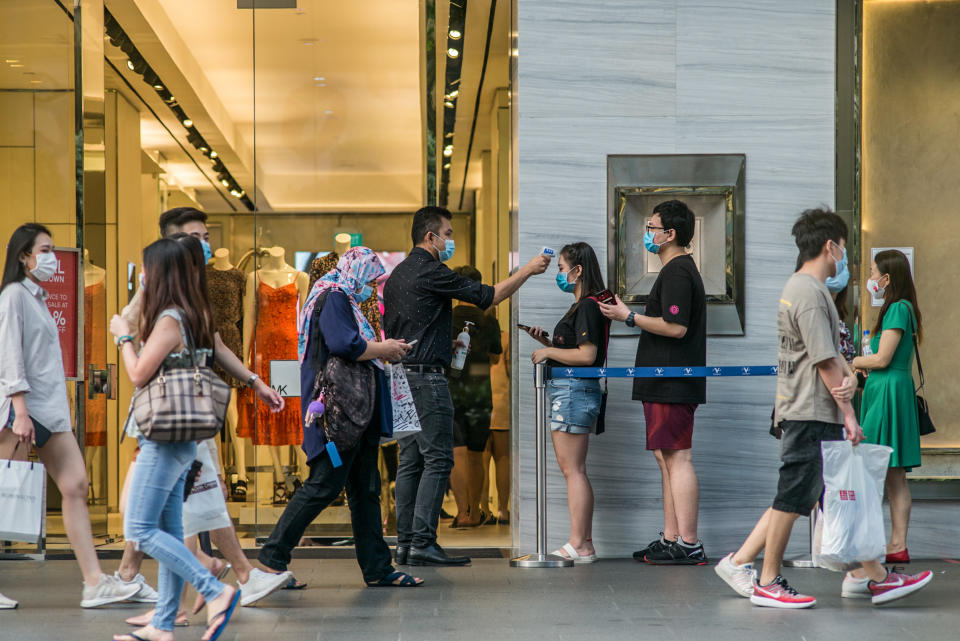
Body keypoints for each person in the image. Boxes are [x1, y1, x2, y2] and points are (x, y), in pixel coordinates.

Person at [714, 208, 932, 608]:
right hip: (810, 411)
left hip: (813, 410)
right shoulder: (810, 294)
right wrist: (849, 413)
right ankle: (767, 578)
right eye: (843, 250)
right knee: (795, 497)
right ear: (829, 246)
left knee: (831, 497)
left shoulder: (803, 289)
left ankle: (868, 575)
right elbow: (825, 359)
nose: (845, 260)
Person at [114, 210, 294, 611]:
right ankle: (214, 578)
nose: (204, 245)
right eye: (196, 237)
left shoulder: (191, 298)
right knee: (172, 510)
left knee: (178, 508)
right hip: (169, 419)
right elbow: (141, 358)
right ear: (173, 245)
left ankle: (175, 592)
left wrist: (255, 382)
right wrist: (125, 333)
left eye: (205, 236)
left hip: (177, 419)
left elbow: (215, 348)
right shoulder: (161, 295)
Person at [384, 205, 551, 566]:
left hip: (402, 379)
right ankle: (425, 542)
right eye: (447, 234)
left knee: (411, 460)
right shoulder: (431, 271)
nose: (451, 240)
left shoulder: (397, 275)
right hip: (427, 381)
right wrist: (527, 270)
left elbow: (409, 325)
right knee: (439, 458)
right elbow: (489, 296)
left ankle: (406, 543)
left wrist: (446, 342)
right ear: (429, 237)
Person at [258, 247, 424, 588]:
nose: (370, 286)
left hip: (354, 414)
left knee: (365, 489)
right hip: (339, 414)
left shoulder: (342, 298)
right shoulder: (334, 297)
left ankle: (379, 568)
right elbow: (345, 344)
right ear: (356, 272)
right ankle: (271, 559)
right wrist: (386, 349)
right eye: (369, 278)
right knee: (323, 484)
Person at [0, 223, 141, 609]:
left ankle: (94, 582)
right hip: (22, 410)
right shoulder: (13, 296)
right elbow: (9, 354)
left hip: (49, 410)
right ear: (23, 256)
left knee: (76, 485)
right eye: (43, 250)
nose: (51, 257)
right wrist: (20, 411)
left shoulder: (38, 297)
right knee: (1, 495)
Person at [110, 238, 240, 641]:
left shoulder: (169, 319)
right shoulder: (195, 313)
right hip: (183, 436)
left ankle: (214, 590)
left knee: (141, 527)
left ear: (160, 273)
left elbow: (137, 373)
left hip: (162, 437)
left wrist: (122, 337)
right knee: (165, 529)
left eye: (148, 270)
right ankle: (163, 624)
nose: (143, 277)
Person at [599, 200, 707, 565]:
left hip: (672, 379)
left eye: (652, 227)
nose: (648, 233)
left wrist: (628, 317)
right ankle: (672, 536)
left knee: (678, 457)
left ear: (670, 234)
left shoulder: (678, 271)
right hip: (660, 380)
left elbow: (676, 328)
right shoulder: (673, 270)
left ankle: (689, 543)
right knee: (666, 458)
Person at [525, 242, 609, 563]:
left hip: (574, 391)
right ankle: (583, 542)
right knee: (574, 470)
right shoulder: (581, 305)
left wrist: (547, 352)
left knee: (573, 470)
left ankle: (579, 543)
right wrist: (547, 342)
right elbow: (575, 349)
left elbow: (587, 356)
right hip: (570, 389)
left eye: (561, 269)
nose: (559, 274)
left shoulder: (586, 305)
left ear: (578, 271)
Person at [851, 250, 923, 564]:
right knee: (893, 475)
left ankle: (893, 543)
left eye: (872, 272)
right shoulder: (904, 308)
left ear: (887, 278)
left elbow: (882, 359)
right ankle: (895, 544)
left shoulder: (897, 309)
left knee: (882, 471)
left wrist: (852, 361)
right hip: (890, 390)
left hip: (888, 394)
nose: (870, 279)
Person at [448, 265, 502, 527]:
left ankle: (462, 512)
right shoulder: (489, 320)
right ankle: (475, 511)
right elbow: (494, 357)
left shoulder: (446, 317)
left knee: (457, 453)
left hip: (451, 390)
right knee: (476, 454)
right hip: (481, 393)